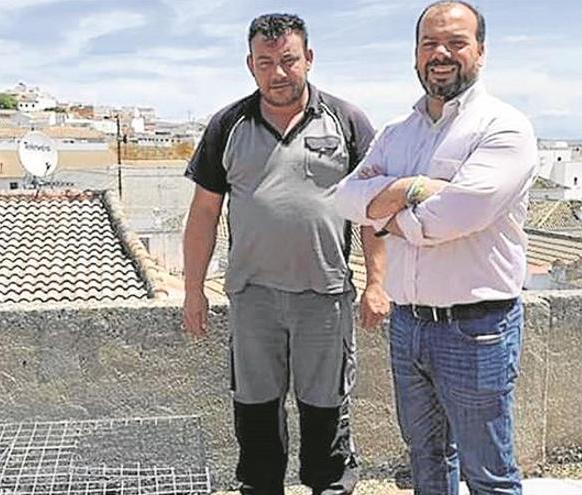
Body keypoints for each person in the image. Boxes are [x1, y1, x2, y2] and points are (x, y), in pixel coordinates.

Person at [332, 2, 537, 494]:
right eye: (429, 44)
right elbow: (345, 198)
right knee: (425, 462)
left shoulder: (503, 128)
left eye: (456, 42)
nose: (440, 54)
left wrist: (384, 209)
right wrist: (415, 188)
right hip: (409, 324)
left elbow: (455, 217)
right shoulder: (396, 133)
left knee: (489, 473)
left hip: (477, 329)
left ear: (481, 52)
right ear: (416, 55)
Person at [182, 13, 389, 495]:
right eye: (266, 62)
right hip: (253, 301)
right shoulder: (228, 125)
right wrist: (193, 290)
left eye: (289, 60)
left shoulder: (348, 121)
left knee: (326, 416)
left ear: (309, 59)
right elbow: (204, 213)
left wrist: (378, 282)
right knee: (255, 418)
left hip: (325, 298)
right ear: (250, 66)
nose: (278, 73)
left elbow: (374, 212)